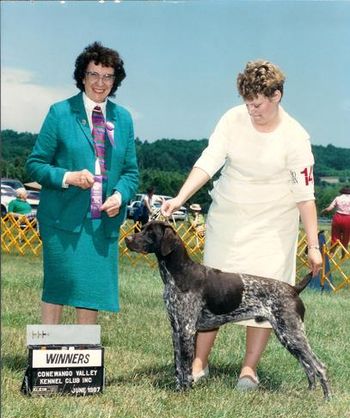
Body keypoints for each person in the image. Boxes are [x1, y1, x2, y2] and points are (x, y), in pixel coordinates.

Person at [162, 59, 322, 391]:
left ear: (276, 96)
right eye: (247, 103)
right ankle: (198, 362)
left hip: (273, 228)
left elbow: (305, 196)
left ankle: (249, 369)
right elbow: (209, 161)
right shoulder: (232, 120)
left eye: (258, 103)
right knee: (207, 294)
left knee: (266, 299)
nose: (251, 110)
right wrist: (179, 197)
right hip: (229, 220)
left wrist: (315, 246)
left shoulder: (296, 136)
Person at [26, 41, 139, 324]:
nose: (100, 83)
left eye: (108, 76)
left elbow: (130, 173)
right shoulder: (60, 112)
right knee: (58, 288)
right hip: (62, 218)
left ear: (116, 80)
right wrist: (68, 177)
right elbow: (35, 164)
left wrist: (119, 196)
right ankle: (46, 355)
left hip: (101, 221)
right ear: (82, 76)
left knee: (91, 292)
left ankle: (83, 358)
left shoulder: (123, 119)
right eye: (93, 74)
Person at [322, 186, 350, 256]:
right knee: (346, 238)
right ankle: (343, 256)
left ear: (342, 192)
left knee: (335, 237)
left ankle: (331, 255)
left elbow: (329, 208)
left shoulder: (338, 198)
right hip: (348, 218)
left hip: (337, 218)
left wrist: (324, 211)